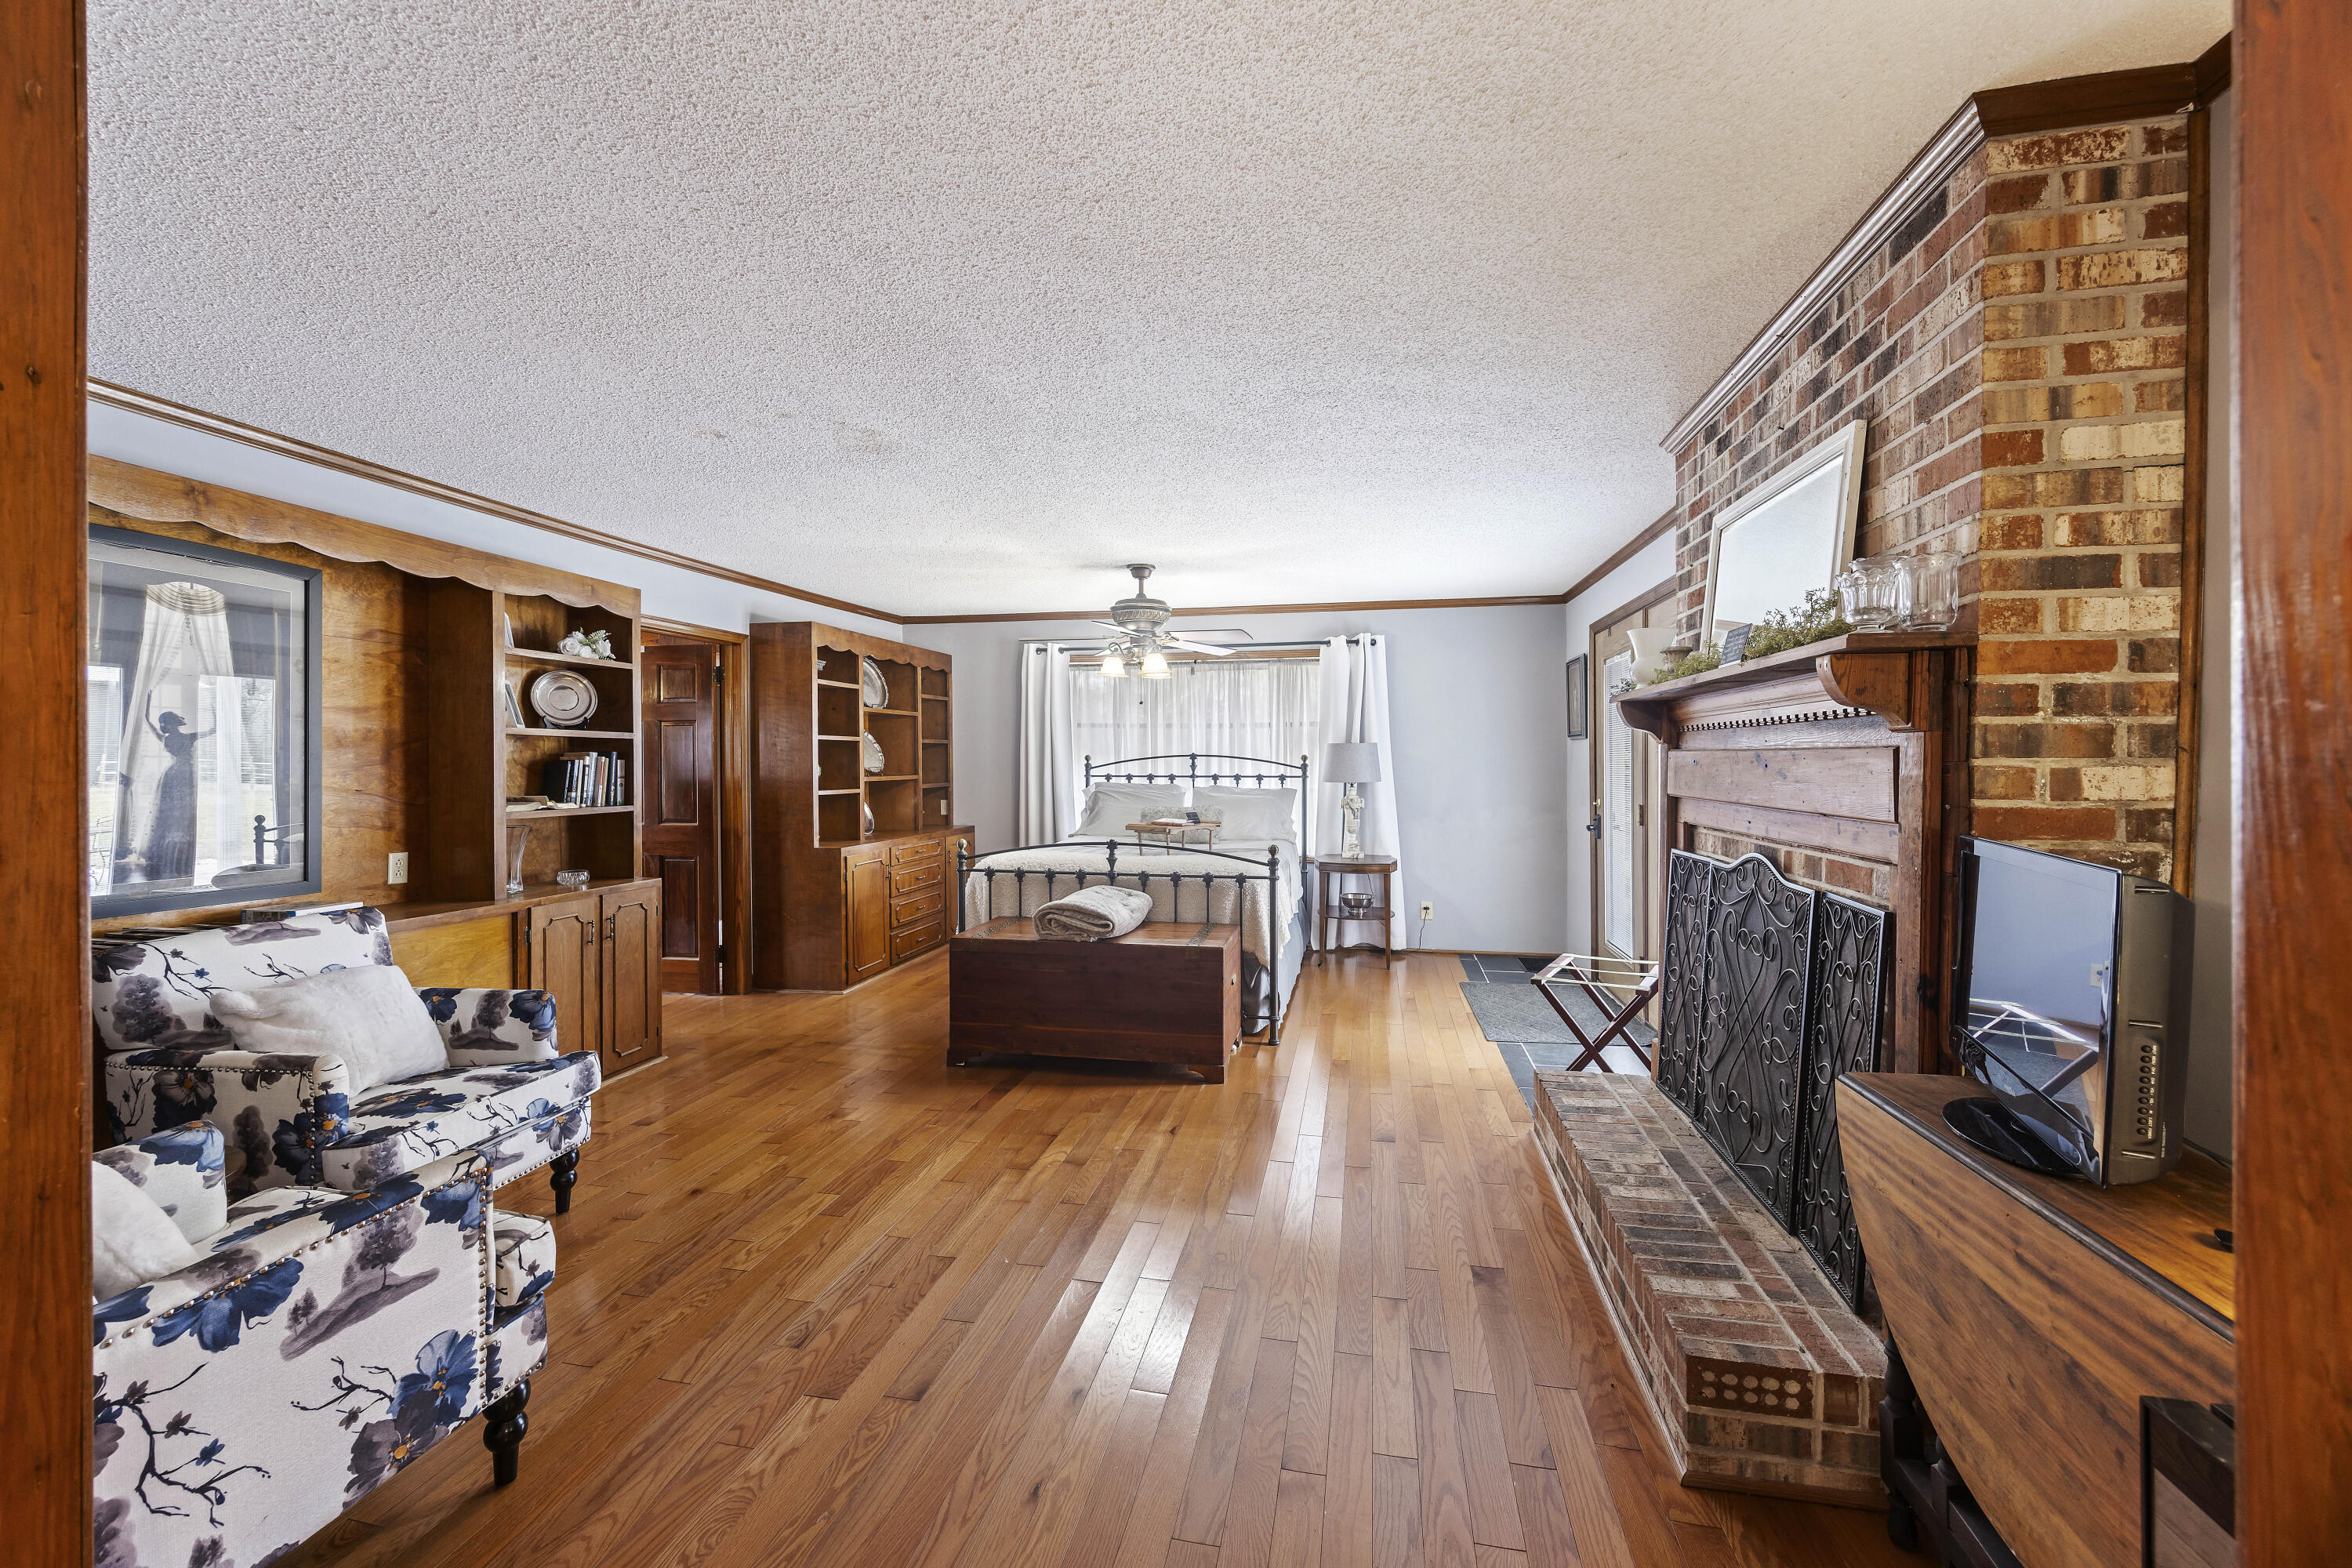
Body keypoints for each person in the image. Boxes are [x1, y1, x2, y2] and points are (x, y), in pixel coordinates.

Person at [139, 703, 213, 883]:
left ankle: (168, 857)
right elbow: (213, 730)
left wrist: (147, 706)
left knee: (169, 816)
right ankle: (176, 858)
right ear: (175, 724)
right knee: (179, 816)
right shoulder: (188, 738)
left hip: (170, 775)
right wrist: (214, 709)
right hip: (183, 777)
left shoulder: (167, 739)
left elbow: (149, 722)